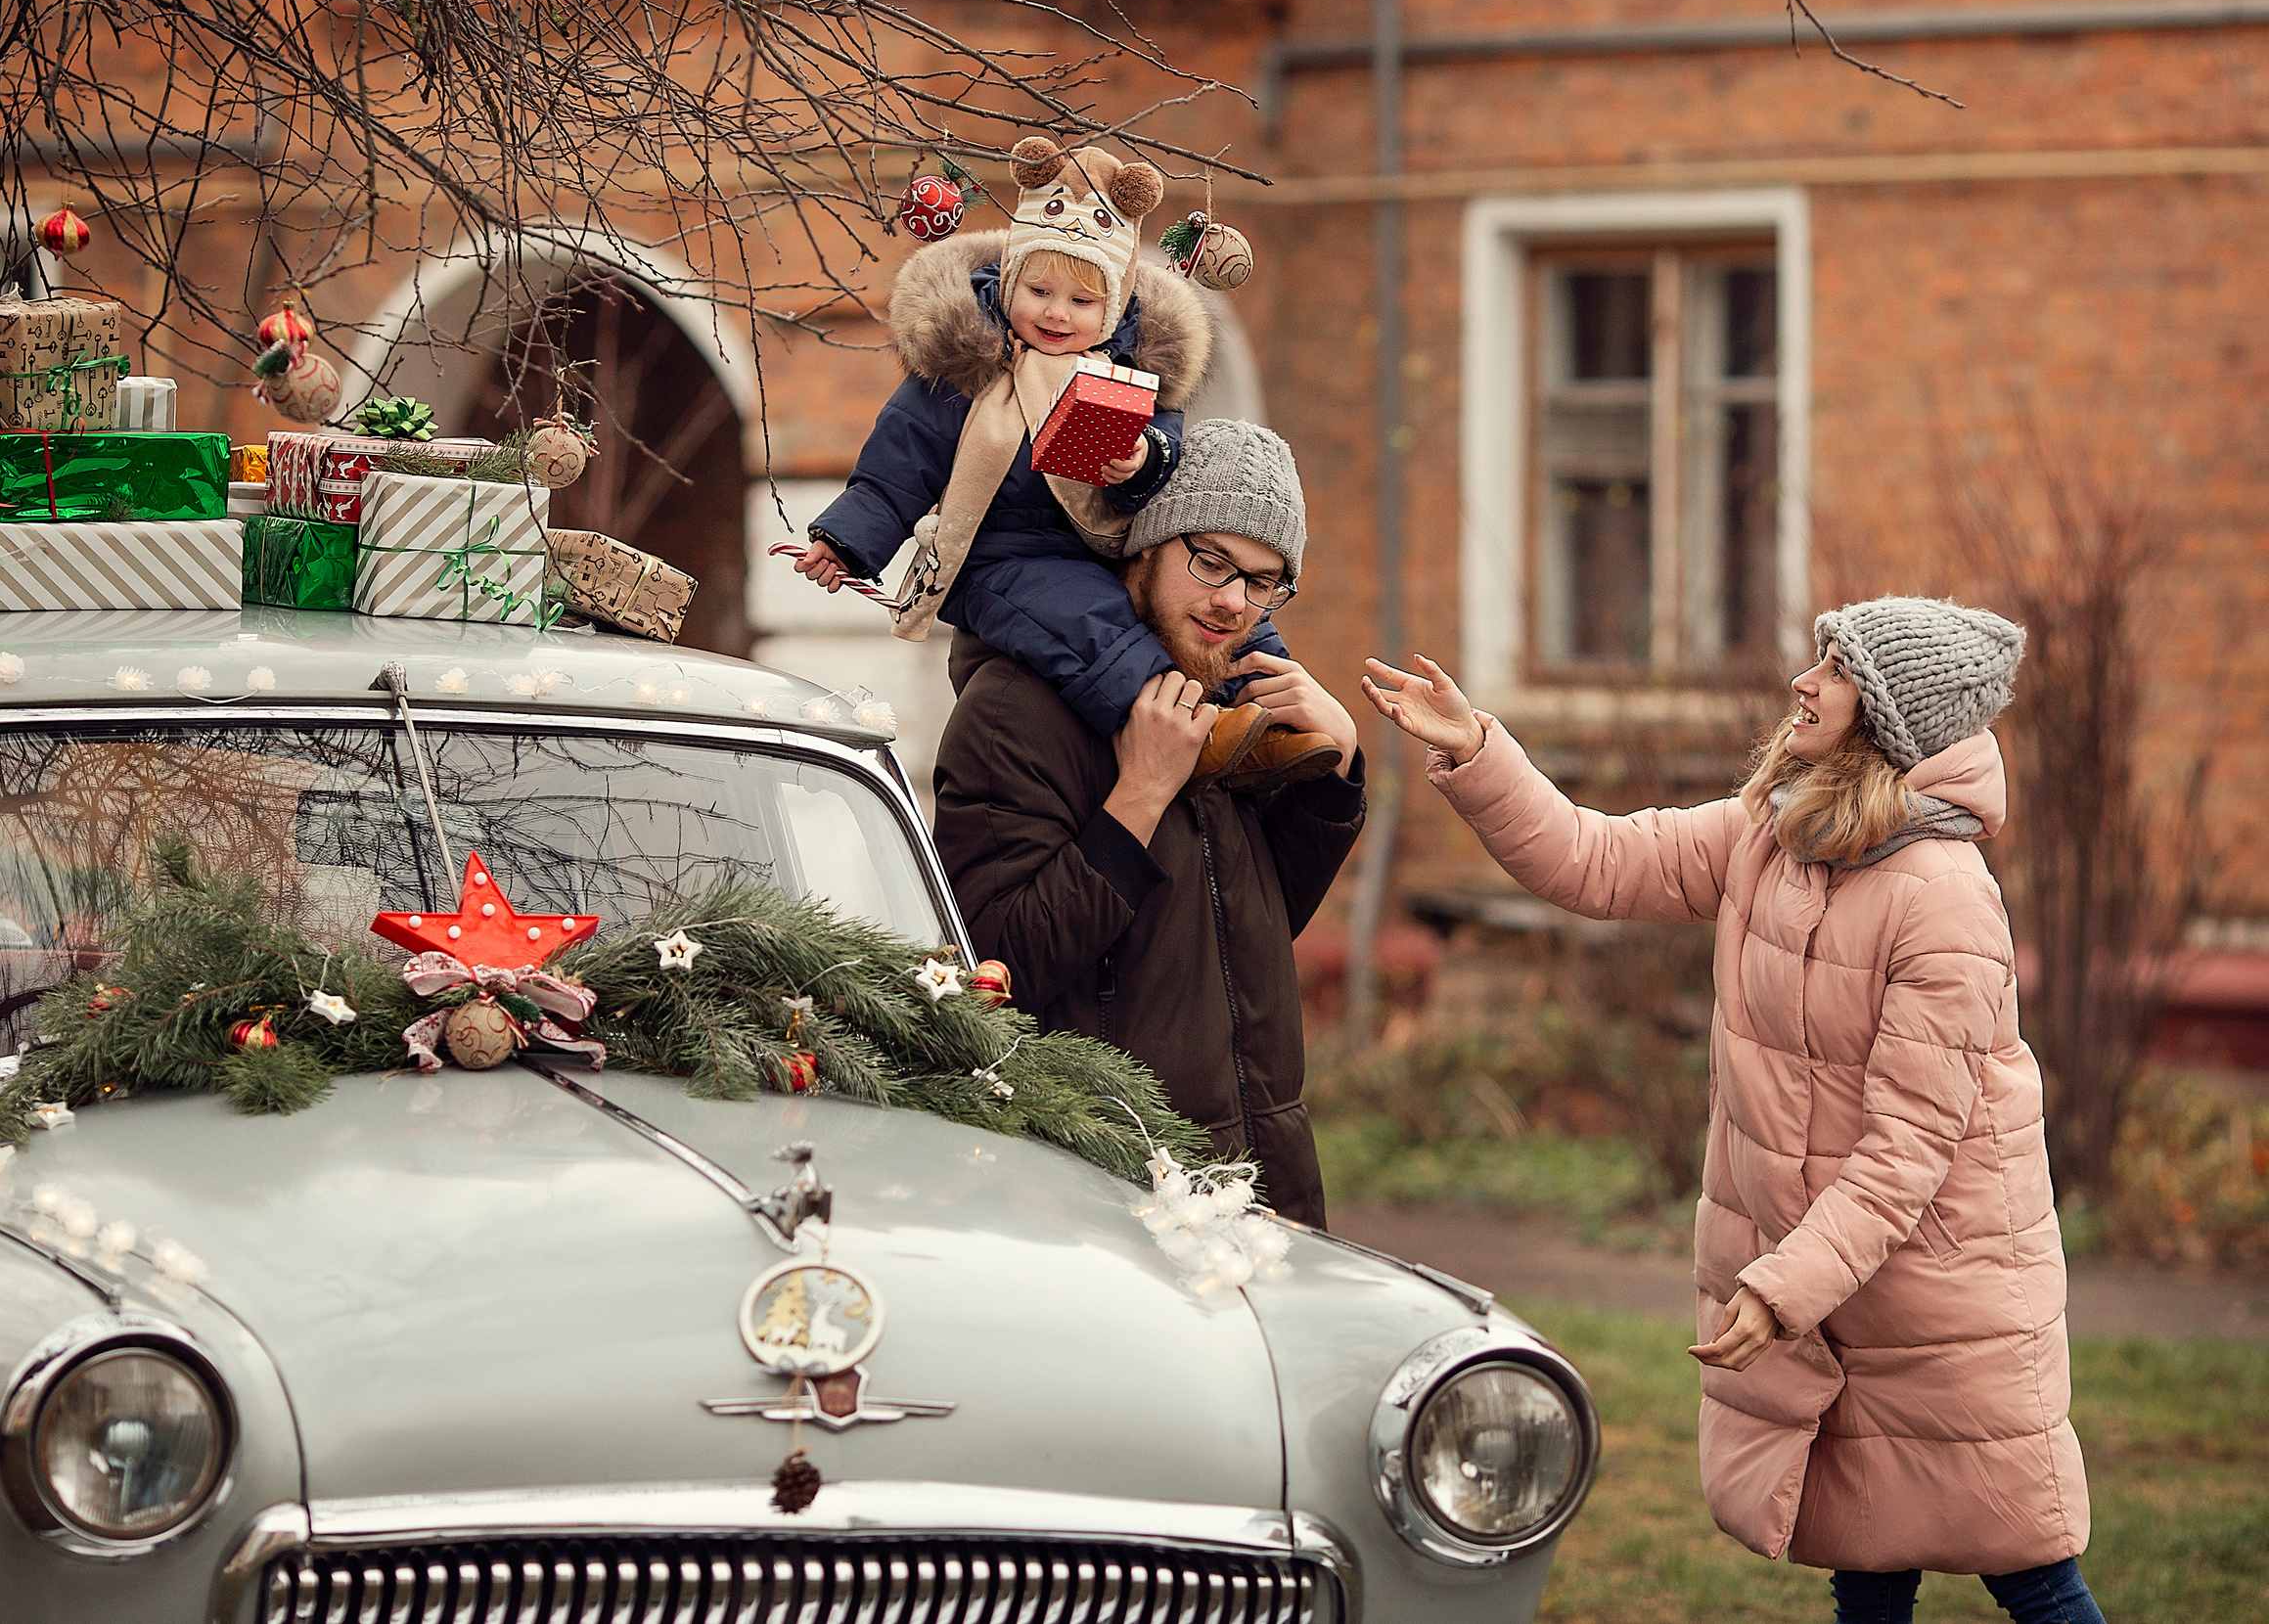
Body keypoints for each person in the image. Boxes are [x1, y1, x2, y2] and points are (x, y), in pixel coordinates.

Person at [1362, 599, 2102, 1624]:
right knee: (1866, 1562)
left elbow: (1908, 1150)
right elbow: (1596, 861)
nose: (1803, 682)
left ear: (1886, 721)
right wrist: (1481, 751)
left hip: (1944, 1292)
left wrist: (1782, 1285)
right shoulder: (1775, 833)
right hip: (1825, 1281)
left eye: (1834, 671)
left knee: (2031, 1576)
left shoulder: (1943, 897)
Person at [794, 137, 1339, 791]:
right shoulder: (969, 371)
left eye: (1082, 303)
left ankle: (1278, 724)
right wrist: (847, 541)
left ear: (1111, 309)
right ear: (1009, 281)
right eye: (1040, 290)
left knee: (1229, 610)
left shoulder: (1127, 370)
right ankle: (1187, 722)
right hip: (1006, 557)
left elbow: (1167, 441)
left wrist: (1140, 460)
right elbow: (897, 463)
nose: (1056, 312)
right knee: (1090, 621)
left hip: (1104, 540)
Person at [932, 422, 1362, 1225]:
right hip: (1104, 1190)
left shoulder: (1226, 700)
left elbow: (1248, 930)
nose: (1234, 600)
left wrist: (1332, 772)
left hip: (1261, 1173)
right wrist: (1138, 798)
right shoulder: (1012, 713)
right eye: (1211, 561)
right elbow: (995, 969)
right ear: (1145, 546)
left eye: (1264, 582)